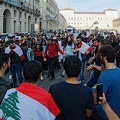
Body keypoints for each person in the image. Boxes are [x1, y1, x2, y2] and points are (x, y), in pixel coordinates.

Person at [49, 56, 94, 120]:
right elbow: (88, 114)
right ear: (80, 69)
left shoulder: (53, 88)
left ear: (65, 69)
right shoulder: (87, 91)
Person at [93, 45, 120, 120]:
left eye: (100, 55)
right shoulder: (119, 71)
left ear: (105, 57)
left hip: (106, 114)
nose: (99, 57)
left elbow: (96, 100)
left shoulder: (104, 76)